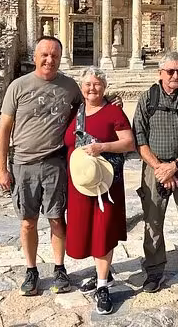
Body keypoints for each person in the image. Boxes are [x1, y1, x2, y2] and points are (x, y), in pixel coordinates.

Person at [0, 36, 81, 296]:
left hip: (55, 162)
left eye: (54, 55)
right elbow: (4, 129)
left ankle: (59, 268)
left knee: (57, 218)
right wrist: (1, 169)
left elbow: (87, 110)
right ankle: (31, 270)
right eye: (44, 54)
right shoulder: (18, 86)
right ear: (35, 56)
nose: (49, 60)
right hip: (23, 163)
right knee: (28, 222)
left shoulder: (70, 86)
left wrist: (112, 104)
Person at [132, 52, 178, 301]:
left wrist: (174, 165)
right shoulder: (148, 98)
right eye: (171, 71)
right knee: (153, 222)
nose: (176, 76)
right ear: (160, 73)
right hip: (154, 169)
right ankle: (154, 271)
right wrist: (160, 168)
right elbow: (140, 138)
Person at [64, 67, 135, 315]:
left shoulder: (113, 111)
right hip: (80, 184)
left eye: (96, 84)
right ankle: (101, 274)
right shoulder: (75, 111)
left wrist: (102, 146)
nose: (92, 88)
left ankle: (103, 285)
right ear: (81, 87)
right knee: (87, 233)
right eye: (87, 84)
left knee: (103, 232)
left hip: (105, 184)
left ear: (104, 87)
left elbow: (129, 142)